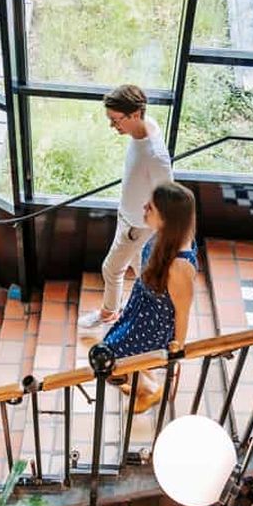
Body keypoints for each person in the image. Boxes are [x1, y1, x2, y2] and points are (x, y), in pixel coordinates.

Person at [78, 84, 173, 329]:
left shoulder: (156, 156)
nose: (112, 126)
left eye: (115, 120)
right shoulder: (145, 127)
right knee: (141, 271)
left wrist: (152, 229)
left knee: (111, 269)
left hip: (137, 227)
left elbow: (168, 198)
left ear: (135, 114)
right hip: (129, 218)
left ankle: (110, 313)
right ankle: (151, 315)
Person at [102, 182, 197, 413]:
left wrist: (176, 350)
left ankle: (148, 391)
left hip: (153, 326)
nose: (144, 207)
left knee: (108, 360)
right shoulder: (166, 236)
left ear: (166, 219)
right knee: (116, 347)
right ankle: (142, 377)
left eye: (151, 207)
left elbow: (183, 312)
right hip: (142, 309)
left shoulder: (179, 267)